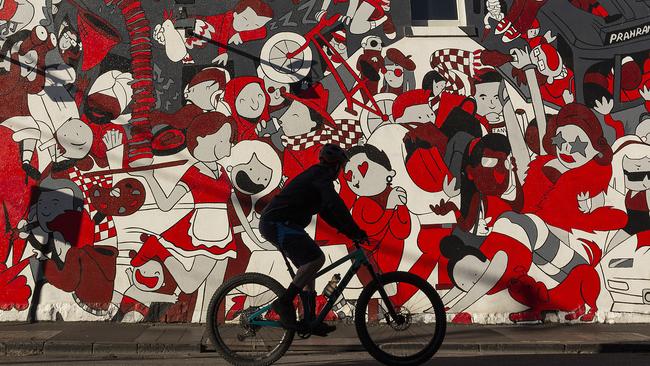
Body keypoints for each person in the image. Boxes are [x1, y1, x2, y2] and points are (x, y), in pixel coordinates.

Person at [259, 144, 368, 335]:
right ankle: (284, 302)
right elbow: (335, 204)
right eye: (341, 167)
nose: (340, 171)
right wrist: (355, 229)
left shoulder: (319, 179)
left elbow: (329, 213)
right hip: (277, 223)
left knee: (309, 268)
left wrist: (350, 232)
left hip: (283, 224)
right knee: (315, 259)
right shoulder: (320, 177)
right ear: (335, 166)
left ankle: (310, 320)